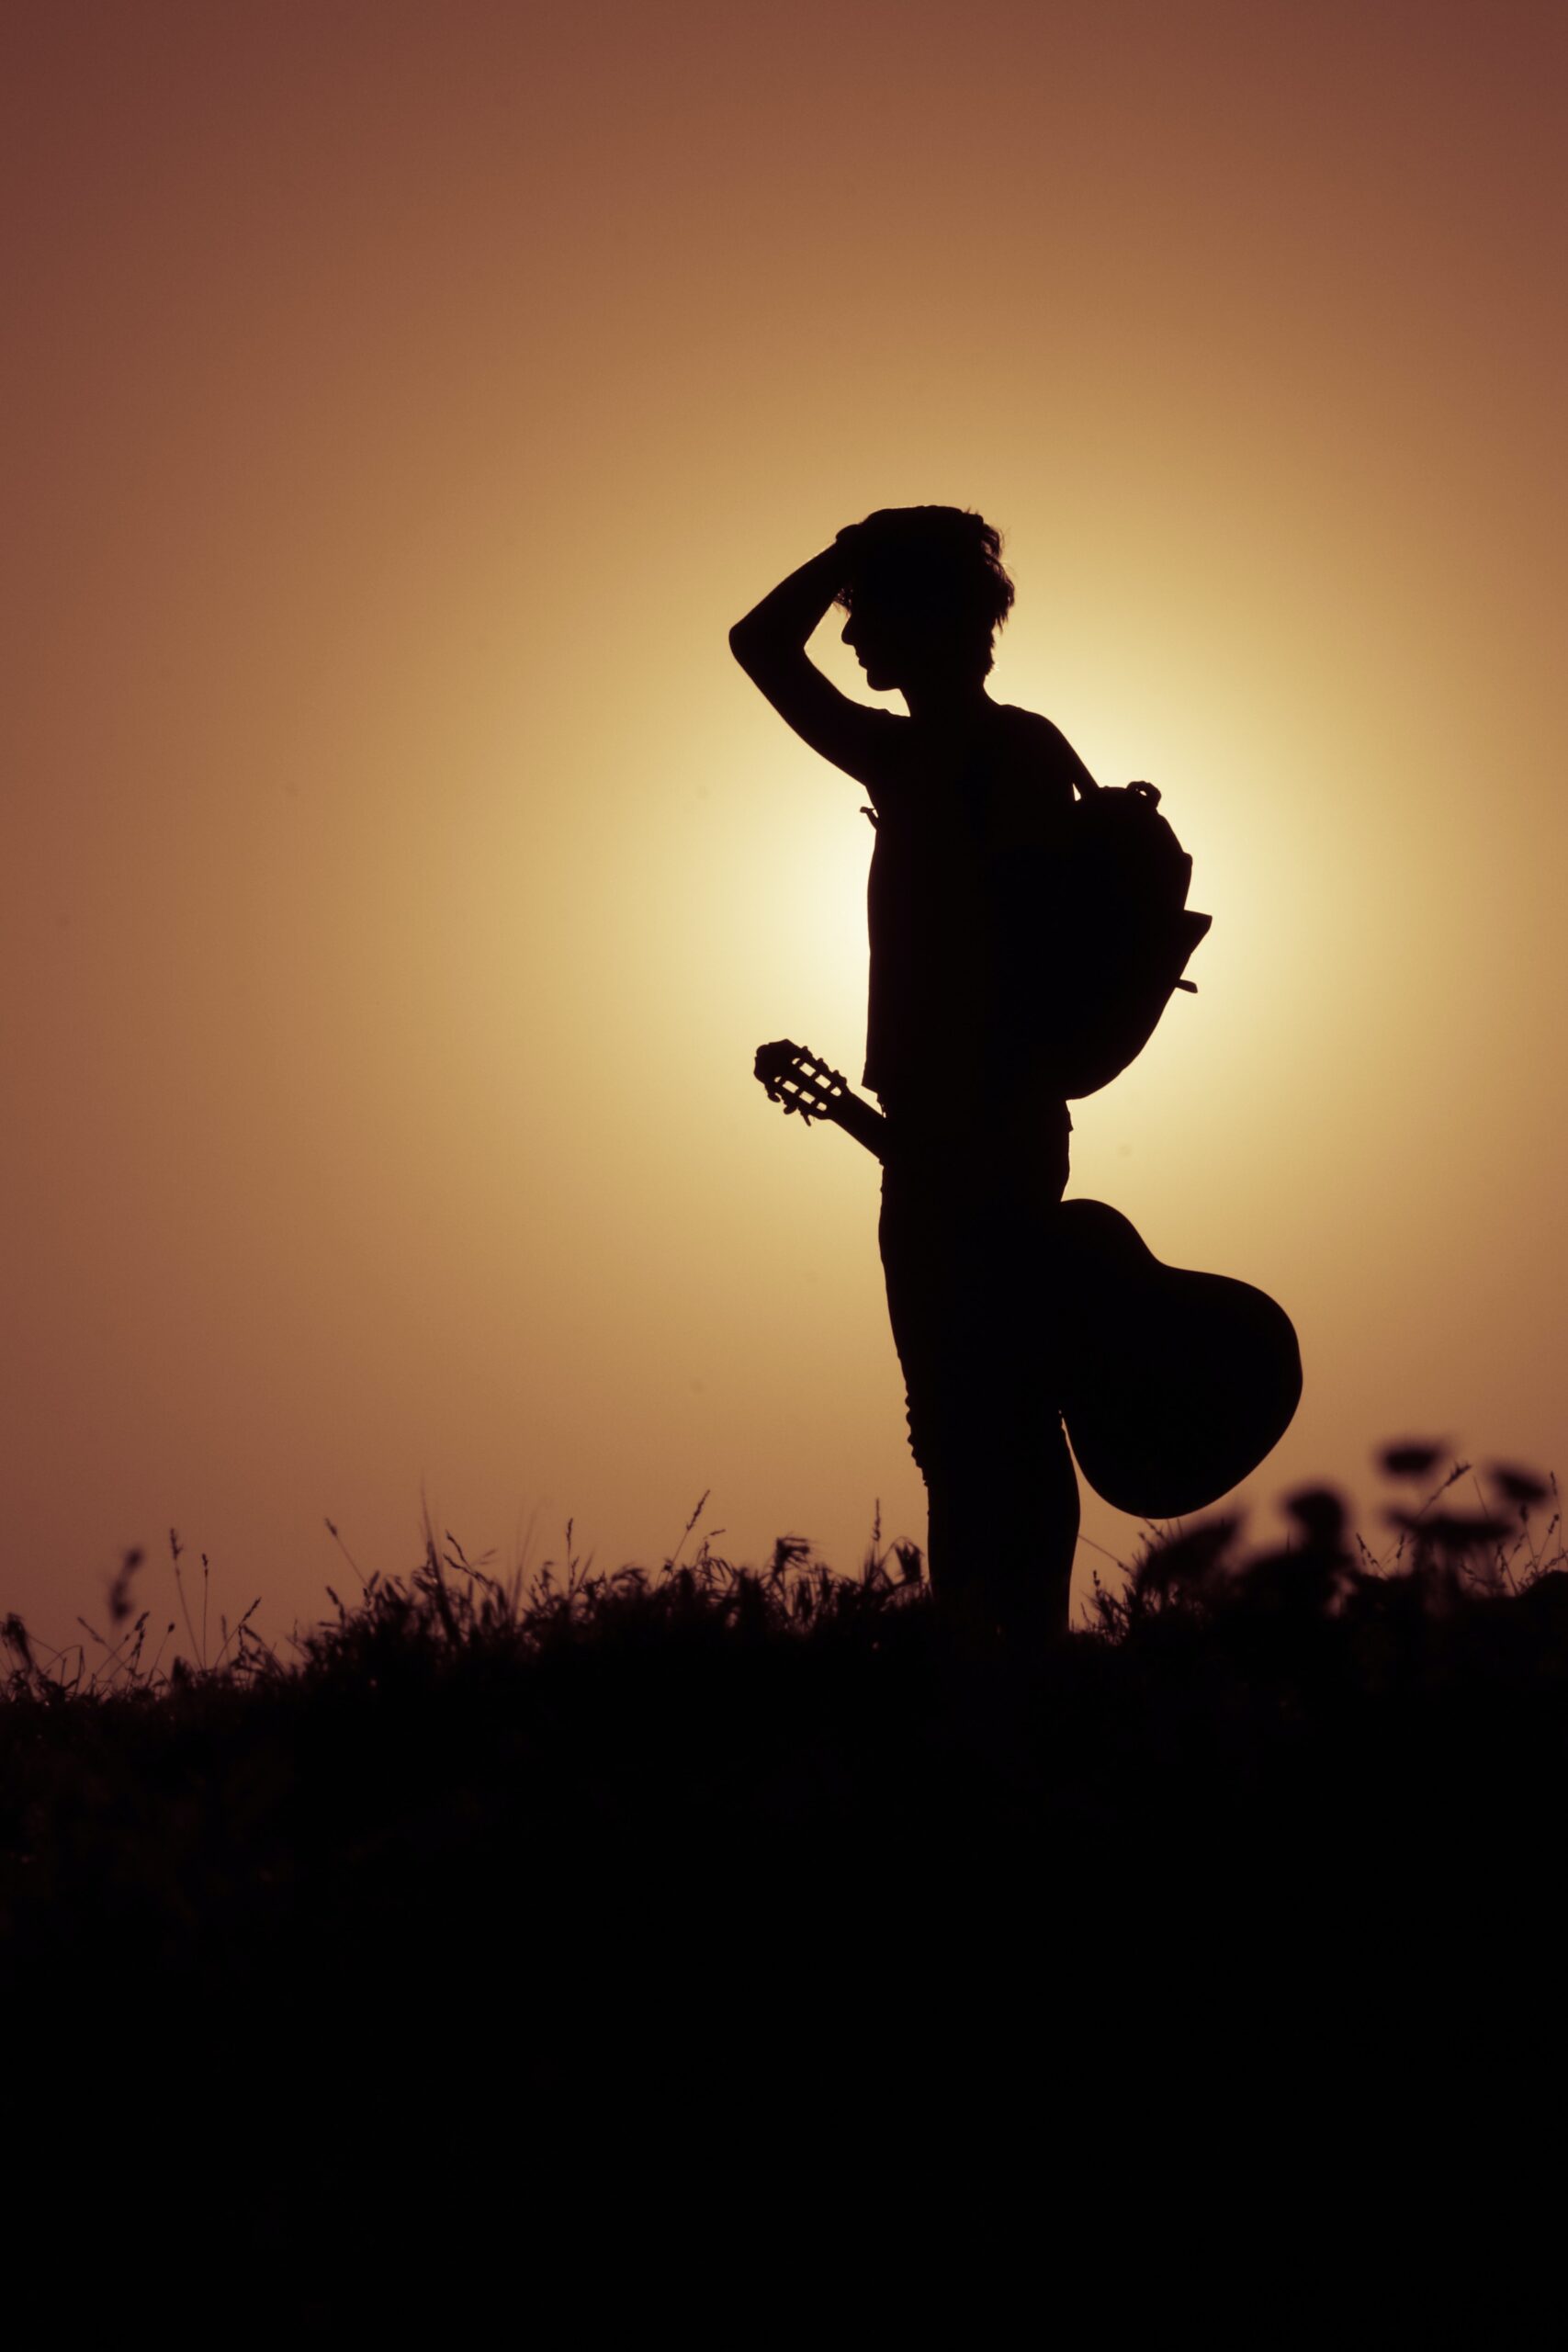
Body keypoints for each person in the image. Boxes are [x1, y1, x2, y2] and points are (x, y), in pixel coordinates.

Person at [730, 506, 1094, 1643]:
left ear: (927, 620)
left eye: (870, 614)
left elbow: (757, 645)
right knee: (991, 1412)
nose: (849, 638)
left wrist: (854, 550)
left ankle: (999, 1658)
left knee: (971, 1416)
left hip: (974, 1121)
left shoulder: (928, 758)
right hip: (990, 1123)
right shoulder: (1009, 749)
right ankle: (1006, 1649)